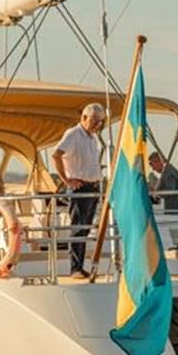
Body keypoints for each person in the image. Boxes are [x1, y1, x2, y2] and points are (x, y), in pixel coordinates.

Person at [52, 103, 106, 279]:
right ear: (84, 118)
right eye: (95, 121)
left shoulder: (92, 138)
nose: (97, 125)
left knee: (85, 229)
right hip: (79, 187)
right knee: (78, 228)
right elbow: (56, 154)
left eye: (100, 122)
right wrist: (66, 179)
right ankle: (75, 267)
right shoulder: (73, 134)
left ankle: (80, 266)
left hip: (92, 187)